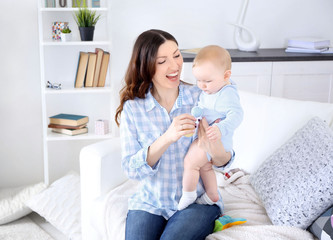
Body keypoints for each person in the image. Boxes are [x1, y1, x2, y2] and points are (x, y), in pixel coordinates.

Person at [115, 30, 233, 240]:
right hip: (150, 203)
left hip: (197, 201)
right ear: (146, 66)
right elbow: (131, 170)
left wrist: (216, 149)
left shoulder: (202, 98)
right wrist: (167, 137)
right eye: (162, 61)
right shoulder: (133, 109)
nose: (174, 66)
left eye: (177, 56)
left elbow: (225, 162)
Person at [178, 45, 244, 210]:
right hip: (208, 137)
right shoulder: (212, 90)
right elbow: (203, 105)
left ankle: (188, 194)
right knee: (205, 166)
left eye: (207, 81)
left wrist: (221, 128)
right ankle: (212, 194)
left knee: (190, 162)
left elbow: (237, 115)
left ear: (226, 75)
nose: (202, 86)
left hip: (216, 140)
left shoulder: (226, 94)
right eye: (198, 80)